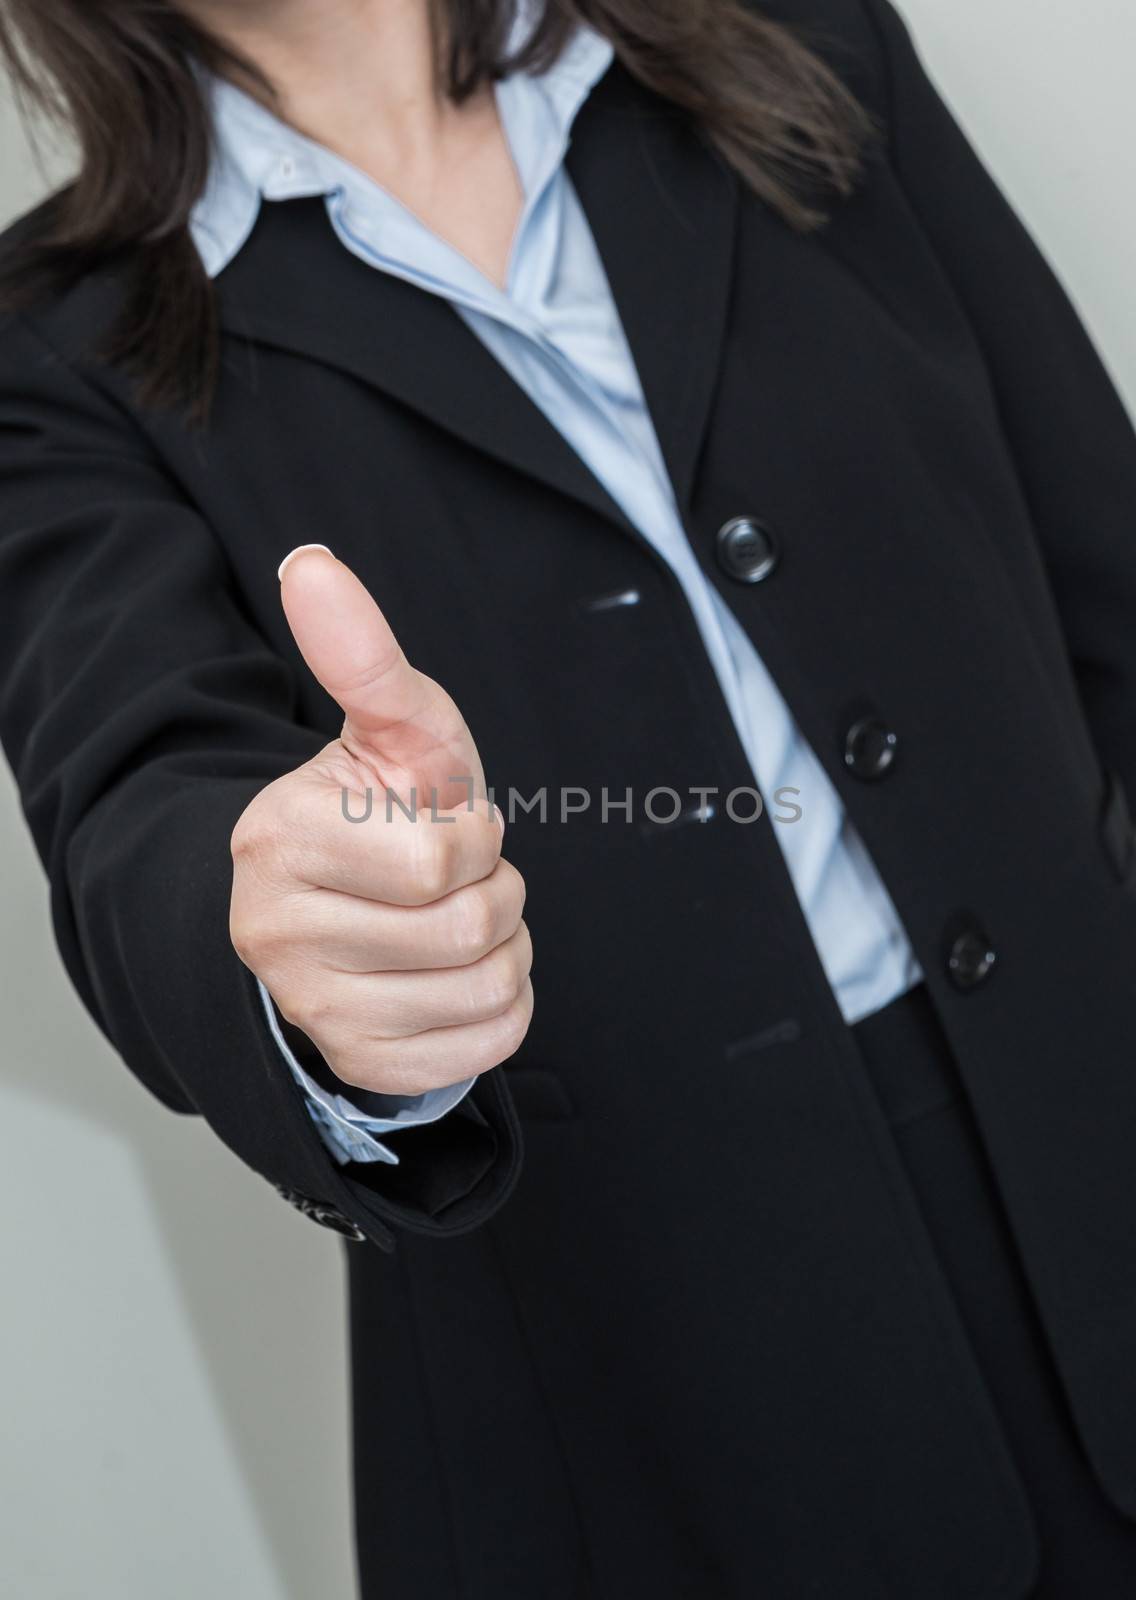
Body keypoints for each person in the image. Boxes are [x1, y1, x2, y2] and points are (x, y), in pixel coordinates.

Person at [1, 0, 1135, 1593]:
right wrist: (291, 930)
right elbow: (140, 809)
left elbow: (1107, 587)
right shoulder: (49, 349)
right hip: (646, 1380)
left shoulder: (801, 46)